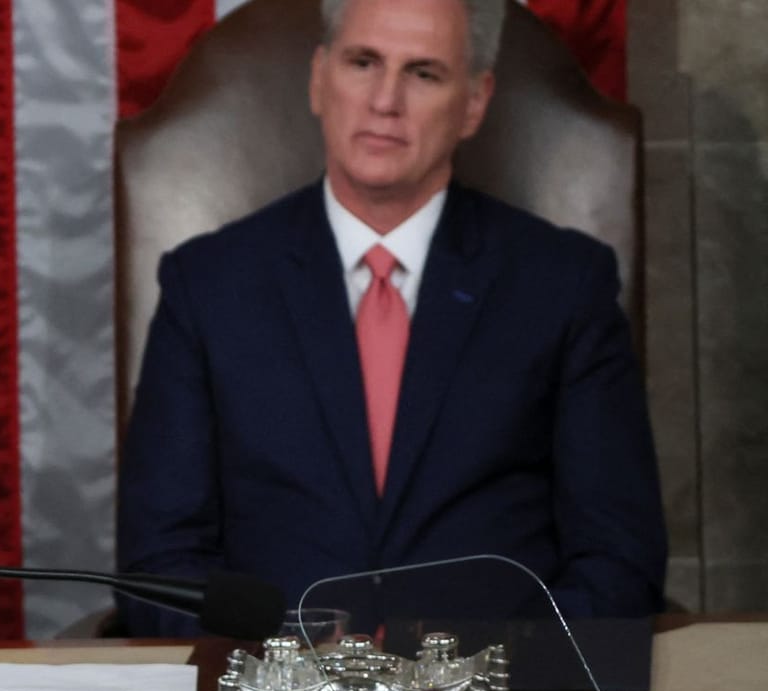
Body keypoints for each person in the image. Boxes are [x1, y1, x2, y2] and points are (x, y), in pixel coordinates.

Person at [115, 0, 665, 635]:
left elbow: (619, 564)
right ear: (320, 77)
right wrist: (281, 678)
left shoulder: (565, 285)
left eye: (424, 73)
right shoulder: (206, 285)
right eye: (363, 62)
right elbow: (160, 566)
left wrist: (481, 674)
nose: (385, 100)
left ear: (476, 101)